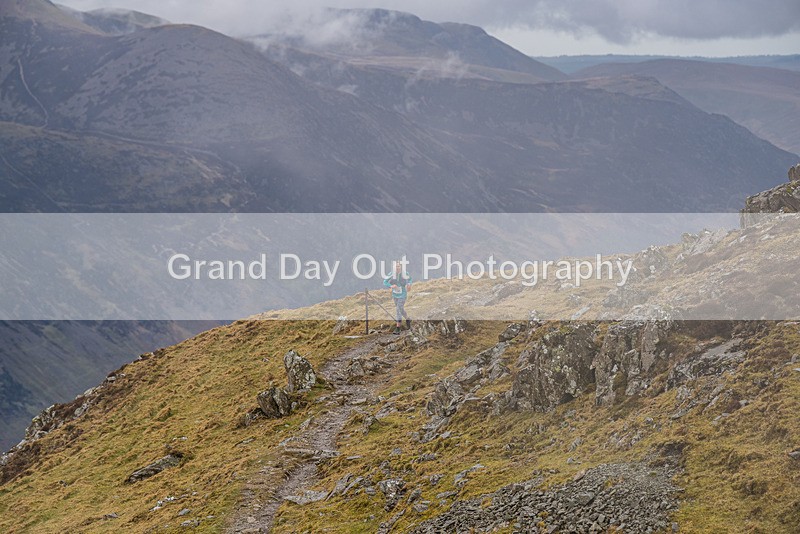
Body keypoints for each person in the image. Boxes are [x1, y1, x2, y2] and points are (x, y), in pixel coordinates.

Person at [384, 259, 412, 334]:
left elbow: (410, 279)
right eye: (396, 266)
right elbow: (385, 282)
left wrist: (409, 284)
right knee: (401, 309)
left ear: (401, 267)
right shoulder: (391, 274)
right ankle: (408, 319)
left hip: (403, 294)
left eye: (398, 266)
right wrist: (391, 286)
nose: (397, 268)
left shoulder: (405, 273)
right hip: (395, 295)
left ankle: (398, 328)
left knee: (398, 310)